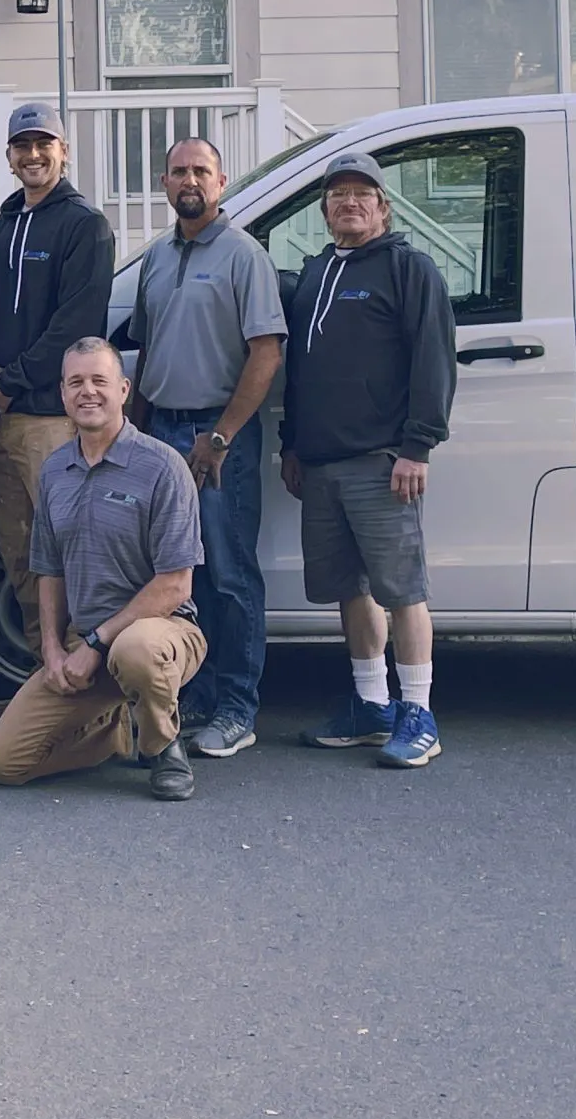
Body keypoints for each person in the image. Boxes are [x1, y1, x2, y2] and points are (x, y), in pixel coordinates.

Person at [280, 151, 457, 771]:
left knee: (402, 590)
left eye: (362, 193)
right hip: (321, 464)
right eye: (337, 195)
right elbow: (300, 370)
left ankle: (418, 712)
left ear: (383, 206)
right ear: (324, 209)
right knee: (349, 592)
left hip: (383, 462)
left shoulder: (409, 269)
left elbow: (434, 361)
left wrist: (418, 446)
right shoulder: (316, 273)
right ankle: (370, 704)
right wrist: (293, 445)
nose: (348, 202)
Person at [0, 339, 207, 802]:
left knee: (136, 649)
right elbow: (49, 570)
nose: (89, 392)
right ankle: (117, 733)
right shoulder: (54, 471)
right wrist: (51, 650)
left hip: (160, 634)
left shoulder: (162, 467)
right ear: (63, 394)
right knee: (3, 764)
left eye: (100, 381)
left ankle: (162, 746)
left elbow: (174, 584)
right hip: (82, 644)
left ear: (124, 390)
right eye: (76, 382)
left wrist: (96, 643)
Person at [124, 136, 286, 758]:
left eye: (202, 171)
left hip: (220, 440)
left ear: (220, 183)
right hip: (159, 432)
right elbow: (149, 353)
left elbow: (266, 352)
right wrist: (133, 437)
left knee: (229, 574)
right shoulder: (157, 260)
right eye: (179, 171)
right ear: (164, 183)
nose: (189, 180)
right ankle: (197, 691)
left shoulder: (245, 255)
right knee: (176, 576)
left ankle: (238, 707)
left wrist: (220, 437)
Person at [0, 102, 115, 687]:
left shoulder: (85, 226)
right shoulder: (2, 227)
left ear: (64, 151)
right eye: (22, 145)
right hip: (1, 424)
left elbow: (74, 325)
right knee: (23, 563)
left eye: (44, 144)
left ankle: (92, 689)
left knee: (71, 560)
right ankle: (46, 680)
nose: (33, 155)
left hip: (50, 423)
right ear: (9, 157)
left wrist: (10, 379)